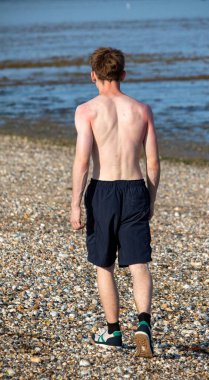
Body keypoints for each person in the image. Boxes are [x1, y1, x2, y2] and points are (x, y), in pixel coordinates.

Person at [70, 47, 160, 358]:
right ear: (123, 75)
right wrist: (150, 198)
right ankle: (144, 324)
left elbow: (82, 161)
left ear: (92, 74)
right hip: (135, 188)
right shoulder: (142, 110)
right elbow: (153, 163)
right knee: (138, 263)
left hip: (103, 190)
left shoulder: (87, 110)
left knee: (104, 264)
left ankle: (113, 331)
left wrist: (74, 204)